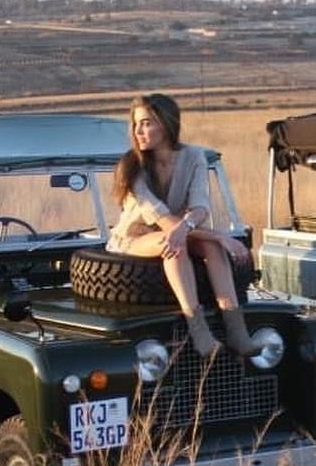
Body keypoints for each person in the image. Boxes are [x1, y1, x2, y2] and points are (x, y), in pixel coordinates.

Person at [107, 93, 258, 359]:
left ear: (166, 124)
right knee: (174, 245)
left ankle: (237, 330)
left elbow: (200, 207)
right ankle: (199, 332)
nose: (138, 131)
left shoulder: (194, 156)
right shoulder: (131, 167)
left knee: (209, 247)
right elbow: (162, 219)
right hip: (135, 237)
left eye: (146, 123)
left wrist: (205, 235)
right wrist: (220, 236)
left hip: (180, 229)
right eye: (136, 124)